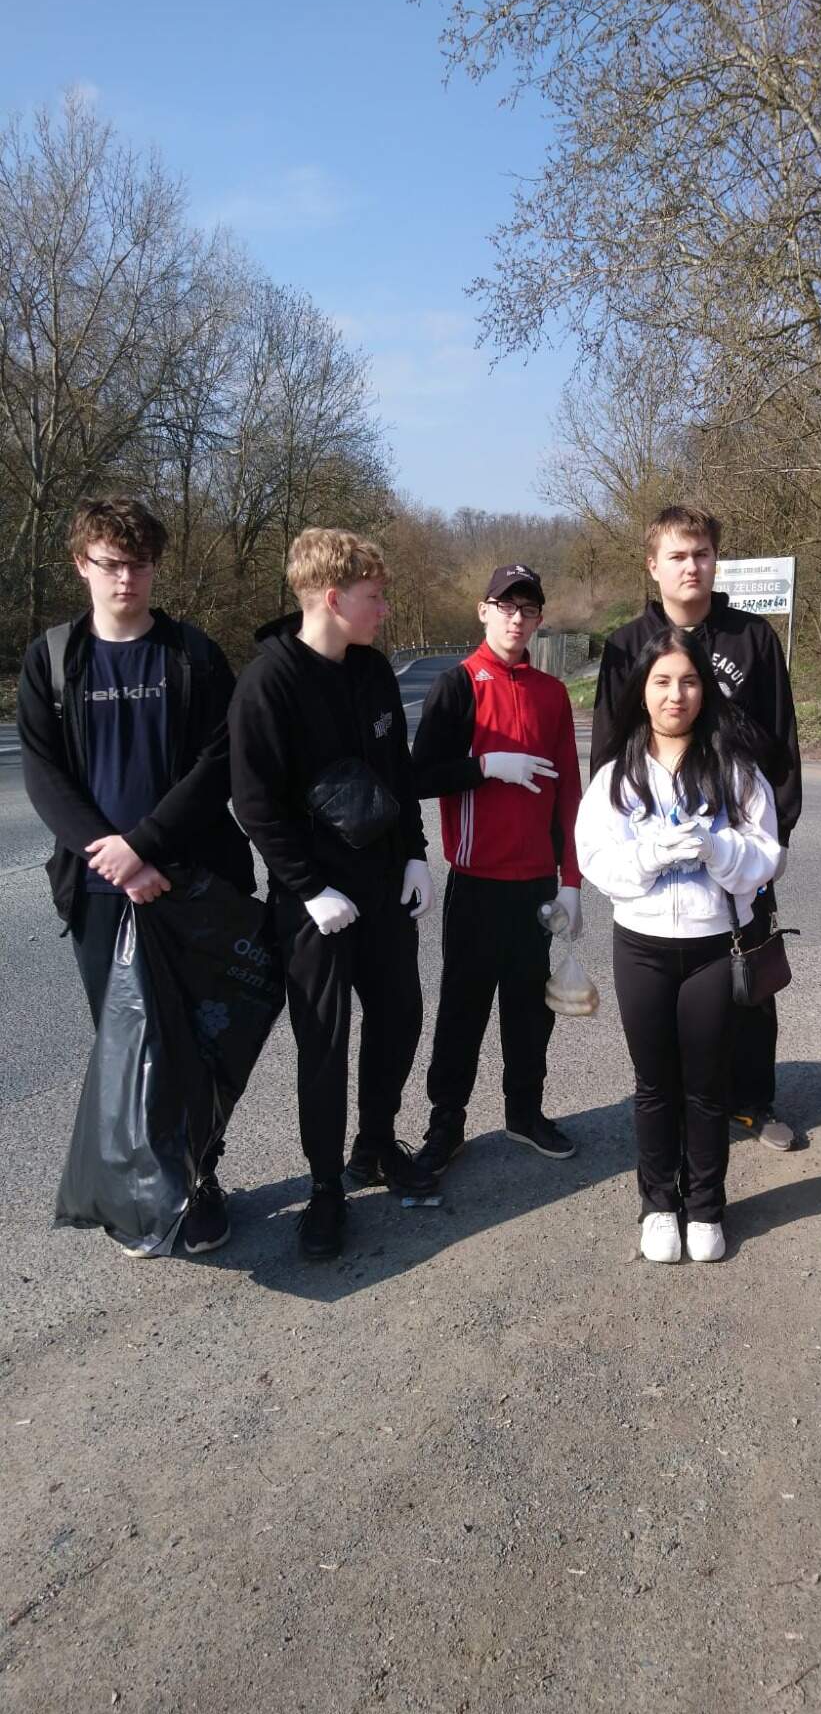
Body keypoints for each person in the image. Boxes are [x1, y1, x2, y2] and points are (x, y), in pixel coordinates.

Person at [17, 495, 255, 1256]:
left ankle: (201, 1180)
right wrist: (113, 856)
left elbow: (218, 762)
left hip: (190, 884)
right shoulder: (52, 659)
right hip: (98, 890)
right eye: (112, 564)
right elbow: (44, 774)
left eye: (141, 565)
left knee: (196, 1044)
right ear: (81, 565)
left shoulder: (193, 655)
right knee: (127, 1048)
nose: (127, 579)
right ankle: (145, 1193)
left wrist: (146, 847)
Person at [228, 527, 436, 1260]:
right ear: (332, 597)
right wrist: (310, 888)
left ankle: (375, 1144)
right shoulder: (268, 683)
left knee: (400, 1017)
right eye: (374, 596)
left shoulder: (373, 671)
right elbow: (255, 804)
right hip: (313, 905)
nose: (384, 608)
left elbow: (397, 772)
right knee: (324, 1045)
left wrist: (415, 855)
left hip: (382, 888)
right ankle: (324, 1188)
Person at [591, 504, 801, 1149]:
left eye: (703, 554)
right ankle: (680, 1103)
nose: (692, 566)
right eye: (678, 556)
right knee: (666, 998)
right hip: (657, 853)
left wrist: (773, 843)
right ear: (653, 565)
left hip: (736, 843)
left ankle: (752, 1101)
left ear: (716, 561)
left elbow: (782, 746)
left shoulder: (752, 638)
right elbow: (609, 753)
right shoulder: (627, 645)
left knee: (749, 979)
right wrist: (630, 846)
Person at [576, 627, 783, 1262]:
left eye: (689, 681)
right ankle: (659, 1204)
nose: (676, 695)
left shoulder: (736, 770)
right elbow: (594, 859)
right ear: (642, 690)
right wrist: (647, 856)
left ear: (705, 690)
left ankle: (706, 1207)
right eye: (662, 681)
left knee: (706, 1085)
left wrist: (719, 849)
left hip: (713, 945)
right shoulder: (615, 776)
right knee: (654, 1084)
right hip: (640, 947)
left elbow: (767, 856)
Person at [411, 563, 584, 1176]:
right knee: (463, 1007)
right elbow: (419, 775)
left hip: (535, 883)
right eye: (505, 606)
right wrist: (485, 767)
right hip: (476, 882)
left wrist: (572, 881)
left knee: (530, 1009)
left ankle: (524, 1112)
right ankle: (446, 1122)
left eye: (527, 608)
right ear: (483, 611)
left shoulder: (552, 693)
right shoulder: (458, 685)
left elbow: (569, 793)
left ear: (539, 619)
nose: (516, 618)